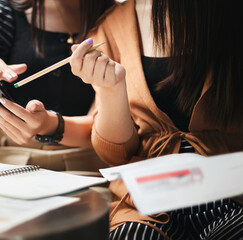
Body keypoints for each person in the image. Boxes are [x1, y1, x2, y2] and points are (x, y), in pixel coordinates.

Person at [69, 0, 243, 239]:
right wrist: (112, 90)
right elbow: (116, 155)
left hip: (232, 194)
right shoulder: (112, 25)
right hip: (149, 202)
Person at [0, 0, 114, 172]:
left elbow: (104, 132)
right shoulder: (1, 12)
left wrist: (48, 125)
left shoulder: (117, 18)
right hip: (9, 162)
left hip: (88, 166)